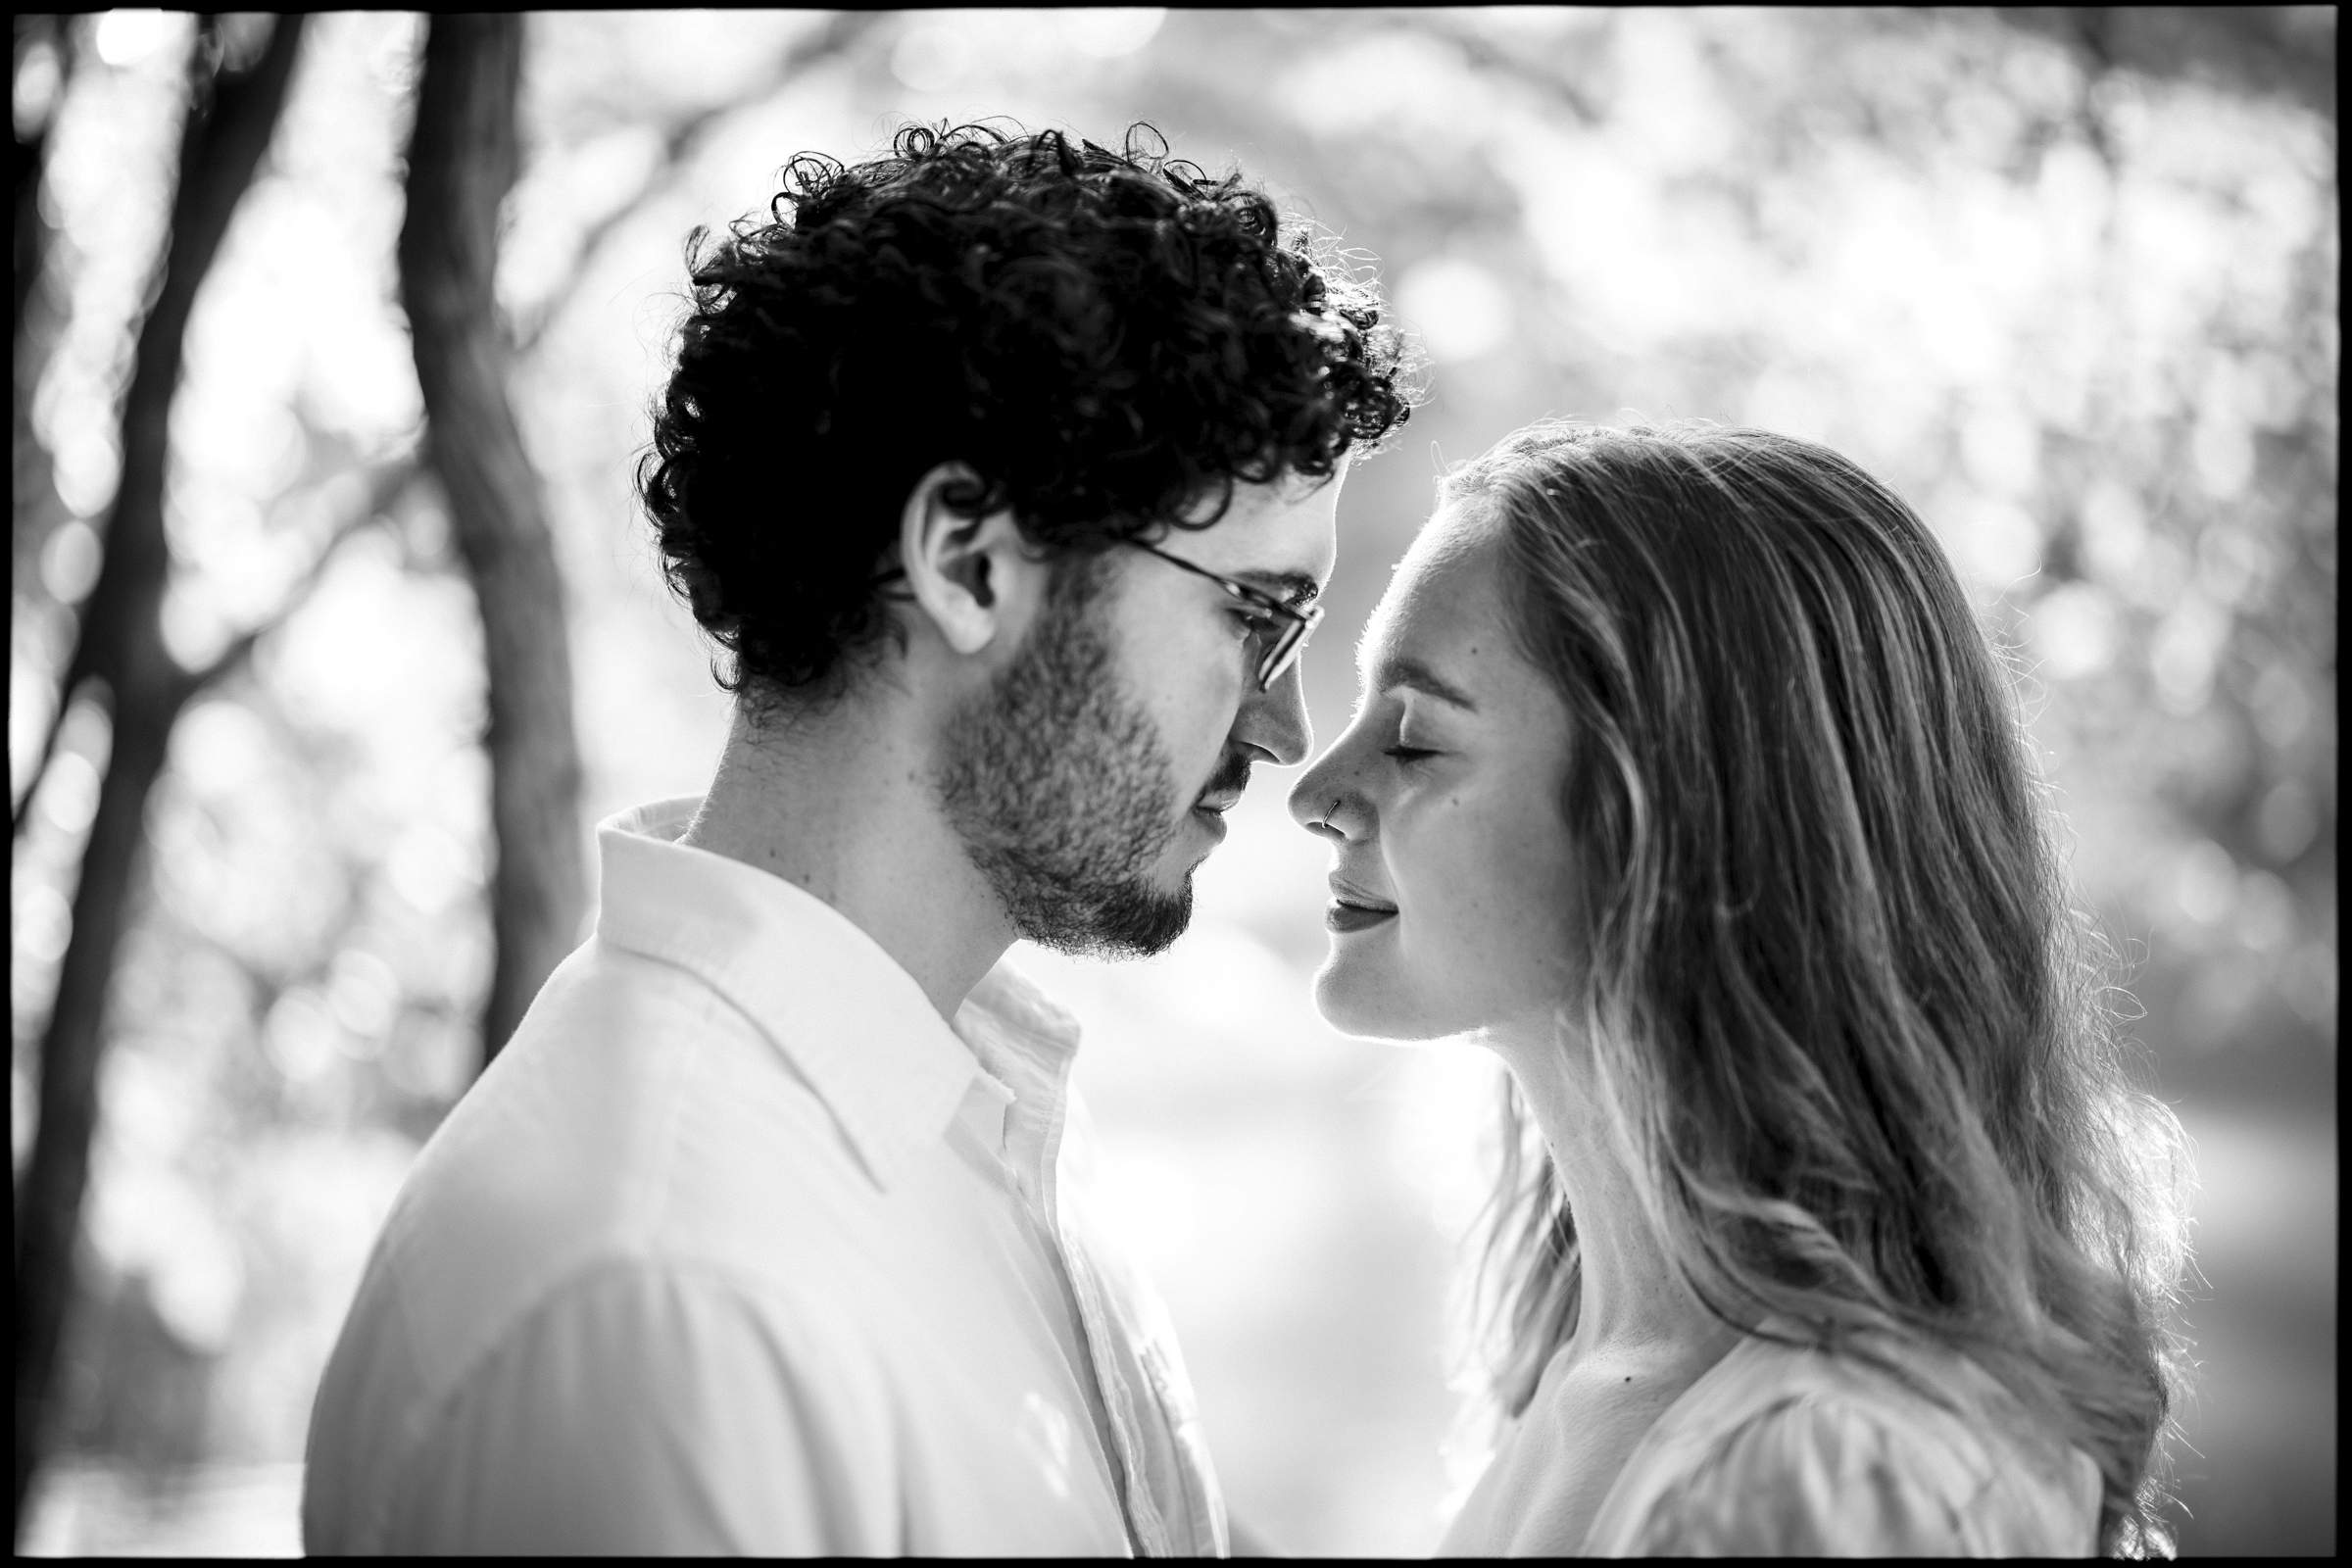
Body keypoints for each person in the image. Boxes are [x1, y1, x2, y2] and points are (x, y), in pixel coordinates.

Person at [302, 123, 1409, 1555]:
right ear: (966, 562)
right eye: (1255, 618)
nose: (1281, 730)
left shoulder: (961, 1119)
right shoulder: (667, 1296)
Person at [1290, 419, 2190, 1556]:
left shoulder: (1832, 1472)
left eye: (1413, 739)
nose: (1317, 788)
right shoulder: (1587, 1358)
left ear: (1671, 823)